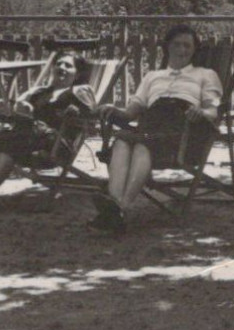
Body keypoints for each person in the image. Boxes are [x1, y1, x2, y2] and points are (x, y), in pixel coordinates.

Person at [90, 24, 222, 233]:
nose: (182, 50)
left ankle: (120, 207)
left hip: (182, 127)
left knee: (142, 146)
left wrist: (201, 113)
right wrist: (112, 109)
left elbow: (212, 111)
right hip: (151, 123)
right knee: (122, 141)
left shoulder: (206, 74)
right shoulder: (152, 76)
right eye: (177, 44)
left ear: (195, 49)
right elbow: (131, 111)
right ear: (167, 47)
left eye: (188, 45)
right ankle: (115, 207)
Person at [0, 51, 96, 215]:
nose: (61, 67)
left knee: (8, 144)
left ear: (78, 73)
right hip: (29, 139)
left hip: (55, 143)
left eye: (68, 65)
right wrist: (24, 108)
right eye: (58, 63)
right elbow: (21, 115)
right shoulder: (40, 93)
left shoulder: (79, 92)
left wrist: (75, 112)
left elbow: (91, 115)